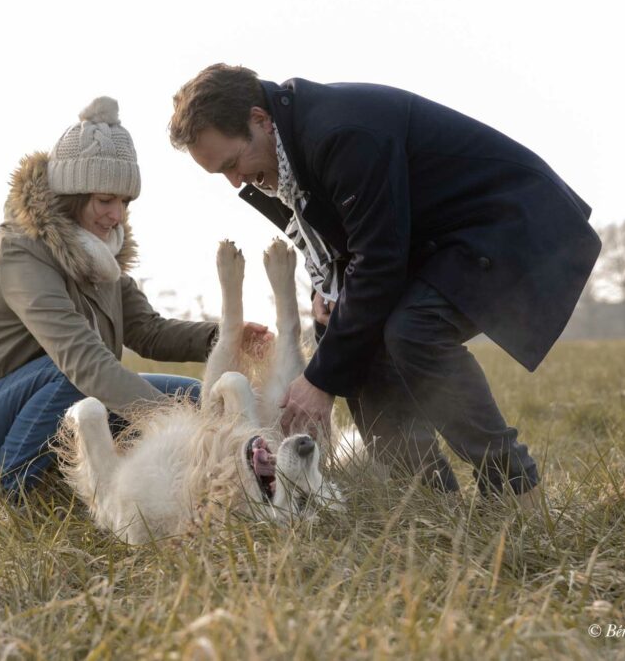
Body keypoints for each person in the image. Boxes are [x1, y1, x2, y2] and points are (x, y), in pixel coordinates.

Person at [168, 65, 601, 511]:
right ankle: (427, 500)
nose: (236, 181)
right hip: (438, 245)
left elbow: (378, 262)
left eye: (232, 163)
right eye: (221, 173)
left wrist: (321, 379)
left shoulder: (340, 134)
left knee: (415, 328)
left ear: (260, 119)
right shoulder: (284, 152)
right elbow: (355, 245)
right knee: (351, 333)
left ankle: (516, 490)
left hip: (514, 225)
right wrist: (332, 288)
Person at [0, 96, 270, 499]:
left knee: (190, 396)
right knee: (83, 376)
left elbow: (145, 330)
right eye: (105, 200)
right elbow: (81, 362)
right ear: (72, 195)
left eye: (124, 202)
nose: (117, 215)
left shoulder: (100, 253)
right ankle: (6, 493)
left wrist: (223, 335)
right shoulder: (18, 253)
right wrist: (175, 427)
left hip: (43, 397)